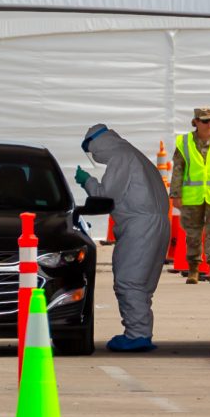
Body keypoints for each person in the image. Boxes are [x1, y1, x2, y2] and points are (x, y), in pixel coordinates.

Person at [75, 124, 170, 352]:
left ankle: (137, 334)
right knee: (142, 284)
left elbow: (105, 196)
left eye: (92, 151)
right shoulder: (135, 156)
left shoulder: (121, 157)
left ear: (98, 144)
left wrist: (87, 181)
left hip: (139, 226)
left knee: (129, 281)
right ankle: (141, 332)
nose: (94, 157)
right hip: (158, 224)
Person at [171, 106, 210, 284]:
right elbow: (178, 170)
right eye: (205, 121)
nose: (209, 124)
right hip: (192, 196)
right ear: (196, 122)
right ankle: (193, 270)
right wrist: (176, 195)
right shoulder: (184, 143)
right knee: (192, 234)